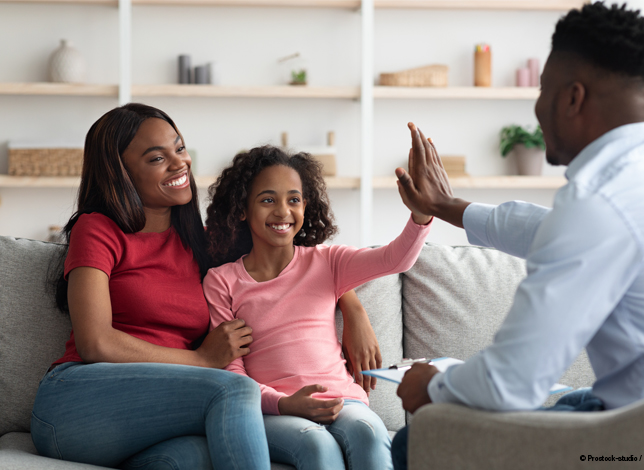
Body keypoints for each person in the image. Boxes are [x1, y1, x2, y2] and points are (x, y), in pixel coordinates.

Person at [389, 2, 644, 469]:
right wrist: (446, 207)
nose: (537, 108)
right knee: (572, 401)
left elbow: (509, 384)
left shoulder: (599, 204)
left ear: (572, 97)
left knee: (416, 440)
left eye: (543, 90)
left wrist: (431, 384)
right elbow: (547, 229)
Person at [31, 103, 383, 470]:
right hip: (77, 403)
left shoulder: (201, 242)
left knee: (188, 460)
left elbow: (292, 260)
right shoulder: (98, 228)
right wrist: (201, 360)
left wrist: (352, 307)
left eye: (179, 149)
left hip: (158, 413)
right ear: (120, 172)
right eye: (156, 158)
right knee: (235, 389)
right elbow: (95, 342)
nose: (179, 163)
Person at [202, 145, 432, 470]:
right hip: (273, 409)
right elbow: (232, 371)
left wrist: (420, 215)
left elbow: (395, 259)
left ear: (305, 206)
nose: (283, 211)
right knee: (316, 444)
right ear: (242, 209)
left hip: (343, 399)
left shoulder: (328, 261)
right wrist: (283, 403)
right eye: (268, 199)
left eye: (293, 199)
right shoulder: (221, 281)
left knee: (367, 431)